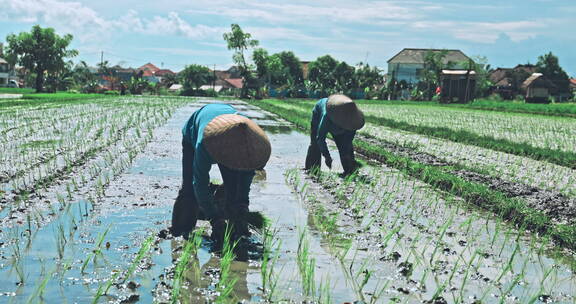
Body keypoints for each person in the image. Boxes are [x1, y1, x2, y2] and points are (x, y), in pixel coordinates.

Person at [170, 103, 271, 243]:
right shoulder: (203, 145)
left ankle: (230, 227)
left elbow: (245, 179)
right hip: (194, 134)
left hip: (232, 137)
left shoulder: (247, 142)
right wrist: (214, 218)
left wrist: (242, 204)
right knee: (189, 190)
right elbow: (199, 183)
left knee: (234, 191)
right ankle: (181, 230)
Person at [304, 94, 365, 176]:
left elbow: (347, 142)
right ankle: (311, 169)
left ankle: (350, 170)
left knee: (345, 147)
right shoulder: (326, 117)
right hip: (318, 114)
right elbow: (320, 138)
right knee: (315, 144)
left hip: (337, 127)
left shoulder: (353, 123)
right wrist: (327, 156)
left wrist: (347, 156)